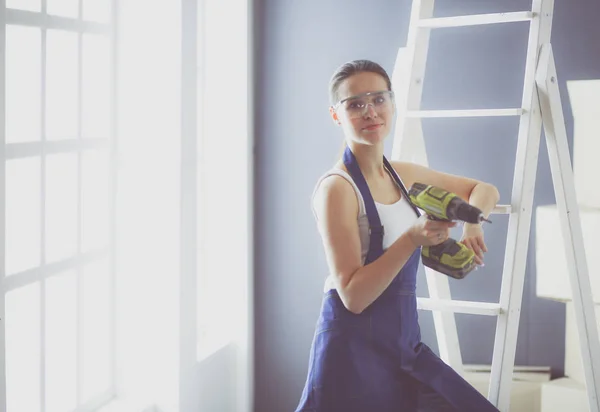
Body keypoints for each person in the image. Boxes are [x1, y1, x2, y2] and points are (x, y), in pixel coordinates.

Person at [295, 59, 501, 412]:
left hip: (404, 346)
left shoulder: (401, 175)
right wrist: (412, 239)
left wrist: (473, 223)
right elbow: (353, 297)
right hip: (351, 357)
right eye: (355, 104)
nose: (370, 111)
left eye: (378, 99)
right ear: (336, 115)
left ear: (392, 104)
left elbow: (484, 189)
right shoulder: (337, 189)